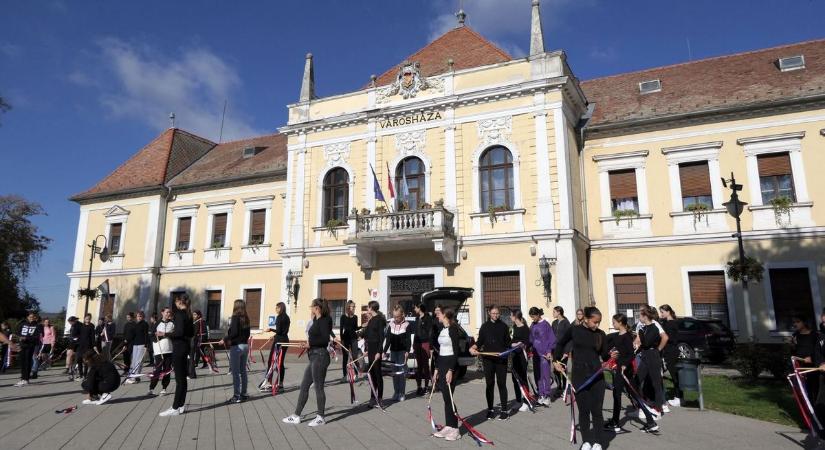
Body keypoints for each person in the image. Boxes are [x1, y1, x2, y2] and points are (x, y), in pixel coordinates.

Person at [553, 307, 612, 450]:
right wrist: (556, 361)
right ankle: (586, 441)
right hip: (579, 376)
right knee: (584, 410)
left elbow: (604, 356)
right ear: (586, 319)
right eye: (595, 322)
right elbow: (560, 343)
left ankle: (598, 442)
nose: (597, 325)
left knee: (596, 411)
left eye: (599, 322)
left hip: (596, 377)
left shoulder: (601, 334)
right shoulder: (574, 330)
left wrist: (611, 356)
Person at [282, 298, 334, 427]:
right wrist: (307, 344)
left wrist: (310, 344)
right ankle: (296, 416)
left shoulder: (325, 320)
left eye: (312, 307)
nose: (310, 309)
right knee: (304, 386)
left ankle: (321, 417)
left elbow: (324, 339)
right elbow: (315, 338)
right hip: (314, 356)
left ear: (317, 308)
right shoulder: (316, 320)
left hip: (320, 356)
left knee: (318, 387)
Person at [603, 313, 653, 433]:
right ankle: (651, 421)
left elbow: (631, 354)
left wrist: (624, 364)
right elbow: (608, 345)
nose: (612, 324)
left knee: (617, 394)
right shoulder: (618, 336)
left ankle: (616, 423)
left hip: (623, 370)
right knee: (632, 394)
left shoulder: (626, 336)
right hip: (620, 368)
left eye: (614, 322)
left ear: (620, 323)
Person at [470, 305, 511, 420]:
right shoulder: (485, 326)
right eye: (493, 313)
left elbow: (508, 342)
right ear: (489, 313)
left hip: (501, 359)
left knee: (501, 384)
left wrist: (513, 346)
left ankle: (504, 410)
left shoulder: (503, 326)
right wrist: (473, 347)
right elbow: (480, 341)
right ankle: (490, 410)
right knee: (489, 384)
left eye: (497, 313)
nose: (495, 315)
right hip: (488, 359)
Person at [431, 307, 462, 441]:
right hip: (442, 363)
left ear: (445, 315)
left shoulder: (453, 329)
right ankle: (449, 425)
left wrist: (451, 370)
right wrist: (437, 369)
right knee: (445, 397)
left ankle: (455, 429)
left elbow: (456, 352)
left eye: (439, 313)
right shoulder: (442, 329)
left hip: (451, 365)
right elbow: (441, 350)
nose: (437, 316)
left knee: (448, 397)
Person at [160, 294, 194, 417]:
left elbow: (179, 332)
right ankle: (180, 405)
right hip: (185, 347)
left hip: (179, 348)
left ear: (179, 302)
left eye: (175, 302)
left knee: (179, 380)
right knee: (182, 379)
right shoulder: (189, 315)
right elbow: (191, 332)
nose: (174, 304)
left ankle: (175, 407)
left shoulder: (180, 314)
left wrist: (166, 334)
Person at [635, 305, 667, 428]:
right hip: (645, 357)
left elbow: (647, 342)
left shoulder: (653, 327)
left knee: (656, 383)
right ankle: (642, 405)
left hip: (653, 356)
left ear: (645, 316)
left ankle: (658, 409)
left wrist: (658, 350)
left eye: (640, 315)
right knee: (636, 381)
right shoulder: (644, 328)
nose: (639, 317)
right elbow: (640, 343)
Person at [226, 299, 252, 403]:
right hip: (245, 346)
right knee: (243, 371)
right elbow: (248, 334)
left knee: (235, 372)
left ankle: (236, 395)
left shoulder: (235, 317)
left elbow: (234, 333)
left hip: (236, 347)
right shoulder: (246, 318)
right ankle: (244, 393)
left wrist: (225, 338)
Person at [384, 304, 411, 402]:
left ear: (402, 315)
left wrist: (407, 351)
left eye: (397, 316)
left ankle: (402, 393)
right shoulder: (391, 324)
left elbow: (408, 340)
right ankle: (396, 392)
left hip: (402, 352)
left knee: (401, 373)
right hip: (393, 352)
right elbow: (388, 340)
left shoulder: (407, 325)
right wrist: (384, 351)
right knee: (395, 373)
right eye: (394, 316)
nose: (395, 318)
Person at [529, 307, 555, 405]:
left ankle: (547, 395)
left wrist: (549, 351)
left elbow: (551, 339)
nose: (532, 319)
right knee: (538, 375)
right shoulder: (532, 325)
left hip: (544, 354)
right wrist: (529, 348)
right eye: (531, 317)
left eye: (533, 316)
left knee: (545, 375)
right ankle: (540, 394)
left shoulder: (546, 325)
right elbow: (530, 338)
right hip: (536, 353)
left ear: (538, 315)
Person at [363, 300, 387, 407]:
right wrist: (367, 350)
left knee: (378, 375)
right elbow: (368, 336)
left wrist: (379, 352)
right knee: (371, 375)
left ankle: (380, 398)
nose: (367, 309)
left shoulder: (380, 320)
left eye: (368, 307)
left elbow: (381, 337)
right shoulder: (371, 320)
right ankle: (372, 398)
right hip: (371, 349)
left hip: (376, 349)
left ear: (371, 308)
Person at [792, 315, 819, 406]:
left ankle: (817, 409)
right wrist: (792, 346)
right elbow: (795, 351)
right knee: (803, 388)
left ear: (804, 323)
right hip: (800, 365)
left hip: (813, 366)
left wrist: (812, 357)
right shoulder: (795, 335)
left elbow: (818, 350)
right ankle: (807, 407)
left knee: (815, 388)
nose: (795, 324)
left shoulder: (814, 335)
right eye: (794, 322)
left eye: (798, 321)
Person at [263, 302, 290, 392]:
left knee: (271, 361)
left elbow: (279, 331)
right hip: (285, 340)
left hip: (279, 342)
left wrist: (270, 330)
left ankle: (269, 382)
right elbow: (283, 332)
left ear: (281, 308)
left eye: (277, 308)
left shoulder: (279, 317)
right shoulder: (287, 317)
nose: (276, 309)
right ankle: (281, 383)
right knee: (280, 362)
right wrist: (274, 336)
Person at [658, 305, 682, 408]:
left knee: (674, 375)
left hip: (671, 352)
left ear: (668, 312)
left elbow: (669, 338)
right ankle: (663, 396)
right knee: (665, 374)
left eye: (662, 312)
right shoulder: (668, 323)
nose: (661, 314)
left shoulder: (670, 324)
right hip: (670, 351)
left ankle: (678, 398)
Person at [149, 307, 174, 396]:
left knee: (167, 370)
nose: (168, 314)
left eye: (169, 312)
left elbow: (175, 334)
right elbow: (152, 336)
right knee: (157, 370)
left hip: (169, 350)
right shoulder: (157, 323)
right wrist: (157, 336)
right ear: (162, 313)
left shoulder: (172, 323)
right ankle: (151, 388)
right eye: (167, 312)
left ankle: (164, 388)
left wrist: (164, 335)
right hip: (159, 351)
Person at [510, 309, 531, 412]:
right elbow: (511, 340)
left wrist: (520, 344)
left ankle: (526, 401)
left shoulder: (525, 328)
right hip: (514, 356)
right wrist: (512, 344)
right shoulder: (513, 327)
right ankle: (518, 400)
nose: (510, 318)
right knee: (515, 379)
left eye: (511, 316)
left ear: (515, 317)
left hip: (522, 356)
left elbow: (527, 342)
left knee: (522, 378)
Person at [14, 312, 43, 387]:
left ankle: (26, 379)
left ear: (35, 318)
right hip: (22, 345)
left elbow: (37, 337)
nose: (31, 318)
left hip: (30, 345)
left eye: (33, 317)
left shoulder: (38, 325)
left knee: (27, 361)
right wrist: (19, 337)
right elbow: (17, 332)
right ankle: (23, 378)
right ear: (27, 317)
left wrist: (27, 338)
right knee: (22, 362)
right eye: (30, 317)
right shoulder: (22, 324)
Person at [413, 302, 433, 396]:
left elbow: (429, 331)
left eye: (415, 308)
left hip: (425, 343)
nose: (414, 309)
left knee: (425, 366)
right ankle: (419, 387)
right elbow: (416, 332)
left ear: (419, 308)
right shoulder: (417, 318)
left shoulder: (428, 318)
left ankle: (426, 387)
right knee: (419, 367)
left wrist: (430, 345)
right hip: (417, 344)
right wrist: (414, 344)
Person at [551, 306, 571, 399]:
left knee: (563, 369)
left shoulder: (566, 323)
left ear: (559, 312)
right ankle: (559, 387)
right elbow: (551, 337)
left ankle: (565, 388)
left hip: (563, 351)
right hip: (555, 350)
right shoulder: (554, 323)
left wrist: (567, 351)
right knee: (556, 370)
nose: (553, 313)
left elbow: (570, 339)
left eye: (554, 311)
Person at [126, 311, 149, 383]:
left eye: (140, 316)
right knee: (134, 361)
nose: (139, 318)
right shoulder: (136, 325)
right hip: (135, 344)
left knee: (139, 361)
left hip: (142, 344)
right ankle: (132, 376)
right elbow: (133, 335)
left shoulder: (145, 324)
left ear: (143, 317)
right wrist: (127, 340)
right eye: (138, 316)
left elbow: (146, 335)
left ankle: (134, 378)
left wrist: (146, 345)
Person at [339, 300, 359, 381]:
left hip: (354, 339)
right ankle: (344, 376)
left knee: (355, 357)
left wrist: (362, 326)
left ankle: (356, 375)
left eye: (354, 306)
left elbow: (355, 328)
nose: (354, 308)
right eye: (353, 306)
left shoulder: (355, 317)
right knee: (345, 358)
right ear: (348, 307)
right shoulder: (343, 317)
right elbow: (341, 329)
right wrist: (342, 341)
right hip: (345, 339)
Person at [77, 314, 96, 379]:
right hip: (81, 345)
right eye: (87, 318)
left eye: (89, 318)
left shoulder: (92, 326)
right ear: (84, 318)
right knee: (79, 359)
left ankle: (85, 374)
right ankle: (80, 374)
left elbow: (92, 337)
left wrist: (94, 345)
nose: (88, 319)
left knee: (86, 360)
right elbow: (78, 334)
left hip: (88, 345)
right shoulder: (81, 326)